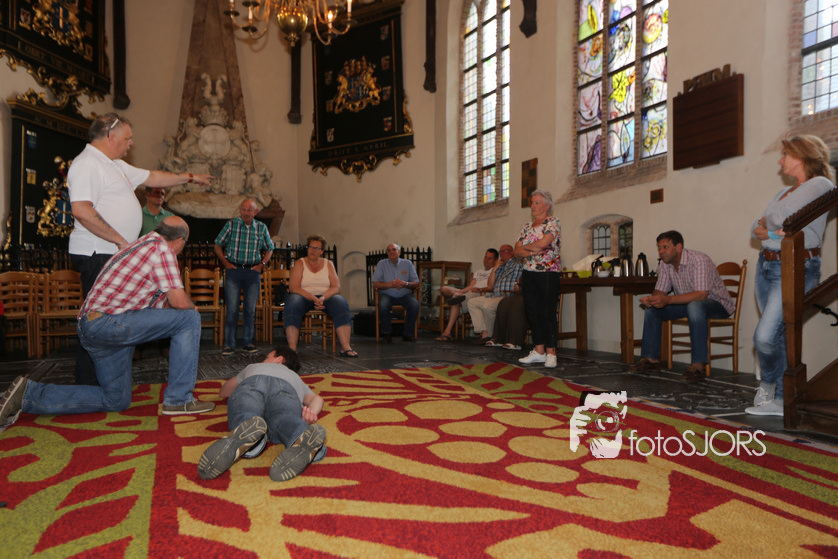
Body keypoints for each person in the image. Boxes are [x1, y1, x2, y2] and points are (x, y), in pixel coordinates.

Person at [0, 217, 216, 429]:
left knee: (115, 399)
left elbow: (160, 308)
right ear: (180, 241)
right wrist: (192, 309)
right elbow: (178, 302)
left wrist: (178, 311)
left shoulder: (136, 247)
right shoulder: (162, 249)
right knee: (190, 318)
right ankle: (179, 400)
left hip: (93, 327)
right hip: (109, 323)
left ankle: (28, 394)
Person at [69, 113, 213, 386]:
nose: (131, 143)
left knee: (119, 320)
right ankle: (89, 386)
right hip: (99, 252)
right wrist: (121, 241)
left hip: (112, 253)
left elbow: (155, 176)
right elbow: (82, 210)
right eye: (127, 138)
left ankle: (111, 386)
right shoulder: (87, 163)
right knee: (99, 321)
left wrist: (191, 177)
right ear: (110, 137)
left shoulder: (116, 165)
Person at [747, 135, 836, 416]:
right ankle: (782, 400)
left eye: (785, 154)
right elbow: (755, 229)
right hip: (766, 264)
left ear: (802, 155)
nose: (780, 160)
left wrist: (770, 225)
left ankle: (768, 385)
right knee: (779, 335)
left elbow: (776, 218)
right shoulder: (784, 192)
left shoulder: (820, 184)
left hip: (796, 265)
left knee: (764, 336)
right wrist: (775, 228)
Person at [197, 346, 327, 482]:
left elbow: (224, 391)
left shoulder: (253, 367)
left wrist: (240, 377)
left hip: (253, 382)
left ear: (278, 359)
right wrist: (310, 412)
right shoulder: (295, 378)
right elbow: (317, 399)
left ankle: (246, 431)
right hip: (286, 389)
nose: (264, 360)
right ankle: (300, 434)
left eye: (267, 357)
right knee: (285, 418)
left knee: (245, 409)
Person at [630, 230, 735, 383]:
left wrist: (667, 300)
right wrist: (652, 300)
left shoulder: (699, 260)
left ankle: (698, 367)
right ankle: (651, 360)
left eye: (665, 247)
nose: (661, 251)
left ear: (678, 247)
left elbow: (701, 295)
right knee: (653, 309)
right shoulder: (665, 264)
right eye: (659, 247)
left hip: (717, 305)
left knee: (695, 305)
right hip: (689, 305)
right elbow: (660, 292)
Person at [214, 198, 275, 355]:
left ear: (255, 212)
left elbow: (270, 248)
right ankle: (229, 344)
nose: (246, 213)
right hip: (233, 271)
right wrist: (225, 263)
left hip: (252, 272)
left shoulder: (261, 228)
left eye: (250, 210)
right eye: (244, 209)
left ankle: (248, 342)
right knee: (232, 309)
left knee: (250, 309)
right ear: (240, 210)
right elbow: (217, 244)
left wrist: (262, 264)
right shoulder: (231, 225)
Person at [283, 234, 358, 357]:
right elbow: (294, 287)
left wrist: (322, 298)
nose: (313, 250)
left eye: (316, 248)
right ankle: (292, 348)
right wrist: (314, 298)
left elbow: (336, 287)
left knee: (341, 302)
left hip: (325, 298)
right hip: (304, 297)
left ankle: (346, 347)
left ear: (322, 251)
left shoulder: (328, 264)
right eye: (311, 247)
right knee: (293, 301)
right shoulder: (300, 263)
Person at [514, 190, 562, 368]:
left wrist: (527, 248)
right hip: (529, 272)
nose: (533, 206)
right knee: (532, 312)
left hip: (548, 272)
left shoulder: (552, 222)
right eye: (532, 202)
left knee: (547, 311)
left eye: (537, 203)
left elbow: (544, 243)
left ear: (547, 206)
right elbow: (516, 251)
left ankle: (551, 352)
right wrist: (532, 250)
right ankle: (539, 351)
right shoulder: (526, 227)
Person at [434, 248, 498, 342]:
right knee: (444, 288)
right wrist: (461, 291)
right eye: (485, 257)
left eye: (489, 258)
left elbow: (491, 287)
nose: (486, 260)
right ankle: (457, 296)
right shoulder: (478, 272)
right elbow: (471, 286)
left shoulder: (495, 271)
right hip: (470, 293)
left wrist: (479, 289)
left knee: (455, 301)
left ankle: (447, 333)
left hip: (480, 294)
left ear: (495, 261)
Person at [472, 244, 523, 346]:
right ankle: (484, 331)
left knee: (487, 306)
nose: (502, 254)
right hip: (494, 295)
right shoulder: (500, 266)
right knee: (472, 303)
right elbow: (490, 286)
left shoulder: (518, 263)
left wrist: (517, 284)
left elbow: (522, 276)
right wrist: (495, 269)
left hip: (507, 295)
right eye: (501, 251)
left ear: (512, 252)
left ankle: (491, 336)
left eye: (505, 251)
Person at [372, 243, 420, 343]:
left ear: (399, 252)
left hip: (405, 294)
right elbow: (375, 284)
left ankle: (408, 334)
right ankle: (386, 334)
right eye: (389, 250)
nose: (391, 252)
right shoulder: (381, 264)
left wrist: (405, 284)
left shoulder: (408, 263)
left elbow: (416, 283)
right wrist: (392, 284)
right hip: (387, 294)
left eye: (394, 249)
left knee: (414, 304)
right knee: (383, 304)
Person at [490, 285, 527, 351]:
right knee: (504, 302)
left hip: (538, 294)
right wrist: (518, 284)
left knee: (517, 303)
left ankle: (515, 342)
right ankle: (499, 339)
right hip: (525, 292)